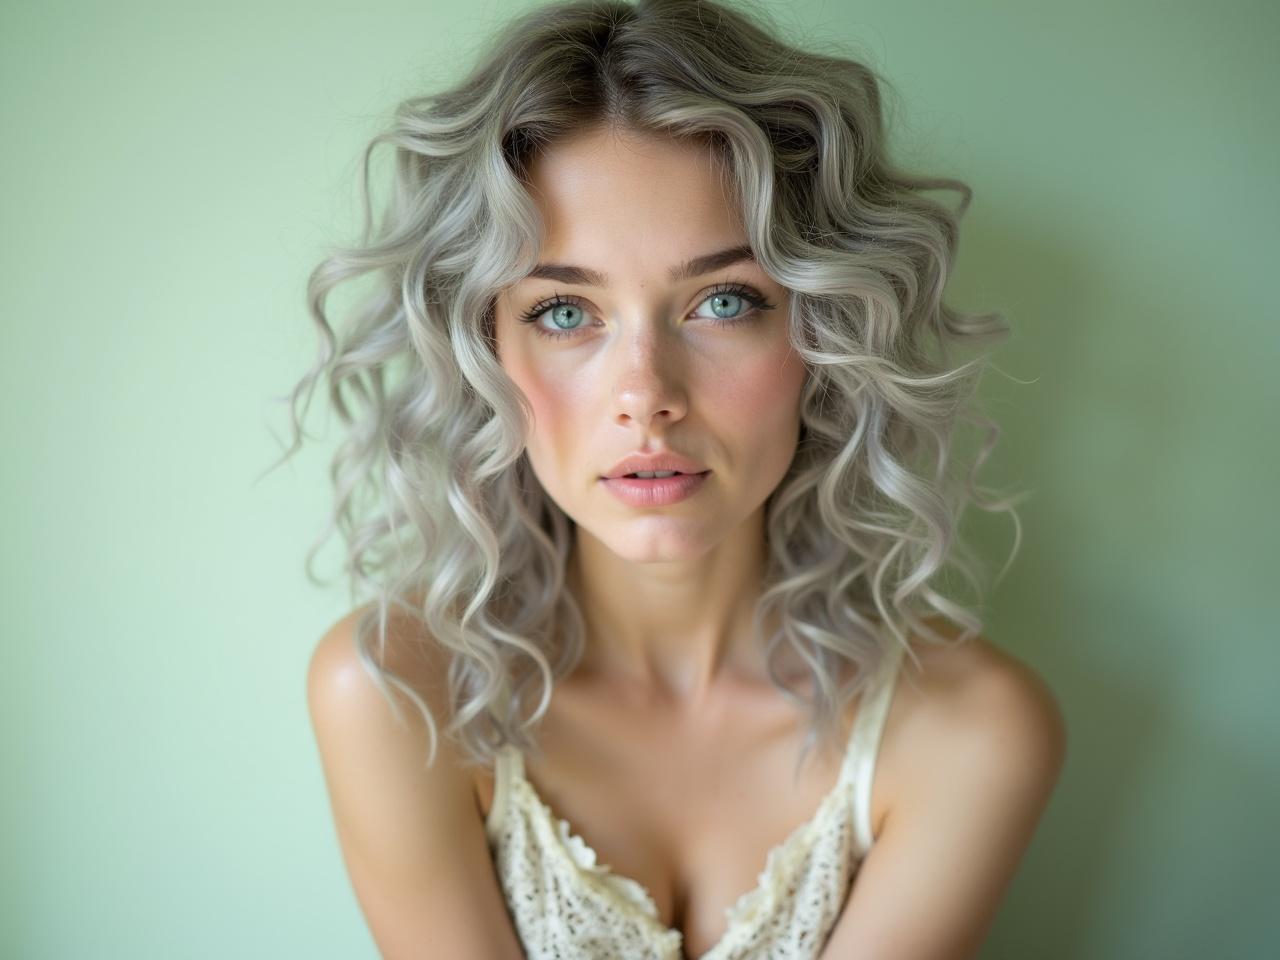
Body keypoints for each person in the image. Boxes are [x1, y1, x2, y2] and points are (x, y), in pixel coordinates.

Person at [282, 1, 1067, 957]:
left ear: (825, 332)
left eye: (723, 302)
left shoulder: (972, 731)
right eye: (566, 312)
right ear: (482, 346)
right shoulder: (398, 698)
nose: (647, 397)